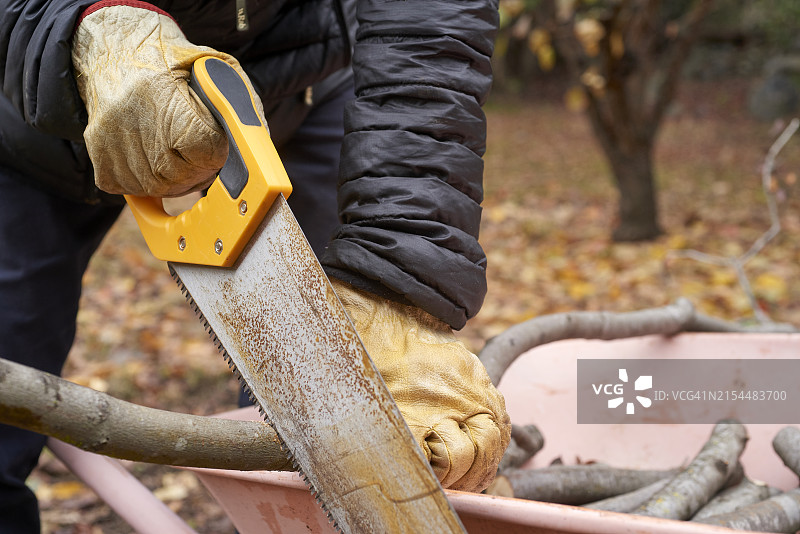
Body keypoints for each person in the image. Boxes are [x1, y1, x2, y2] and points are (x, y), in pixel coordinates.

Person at [0, 0, 511, 531]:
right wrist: (85, 24)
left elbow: (428, 31)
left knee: (331, 413)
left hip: (300, 82)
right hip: (29, 125)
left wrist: (393, 279)